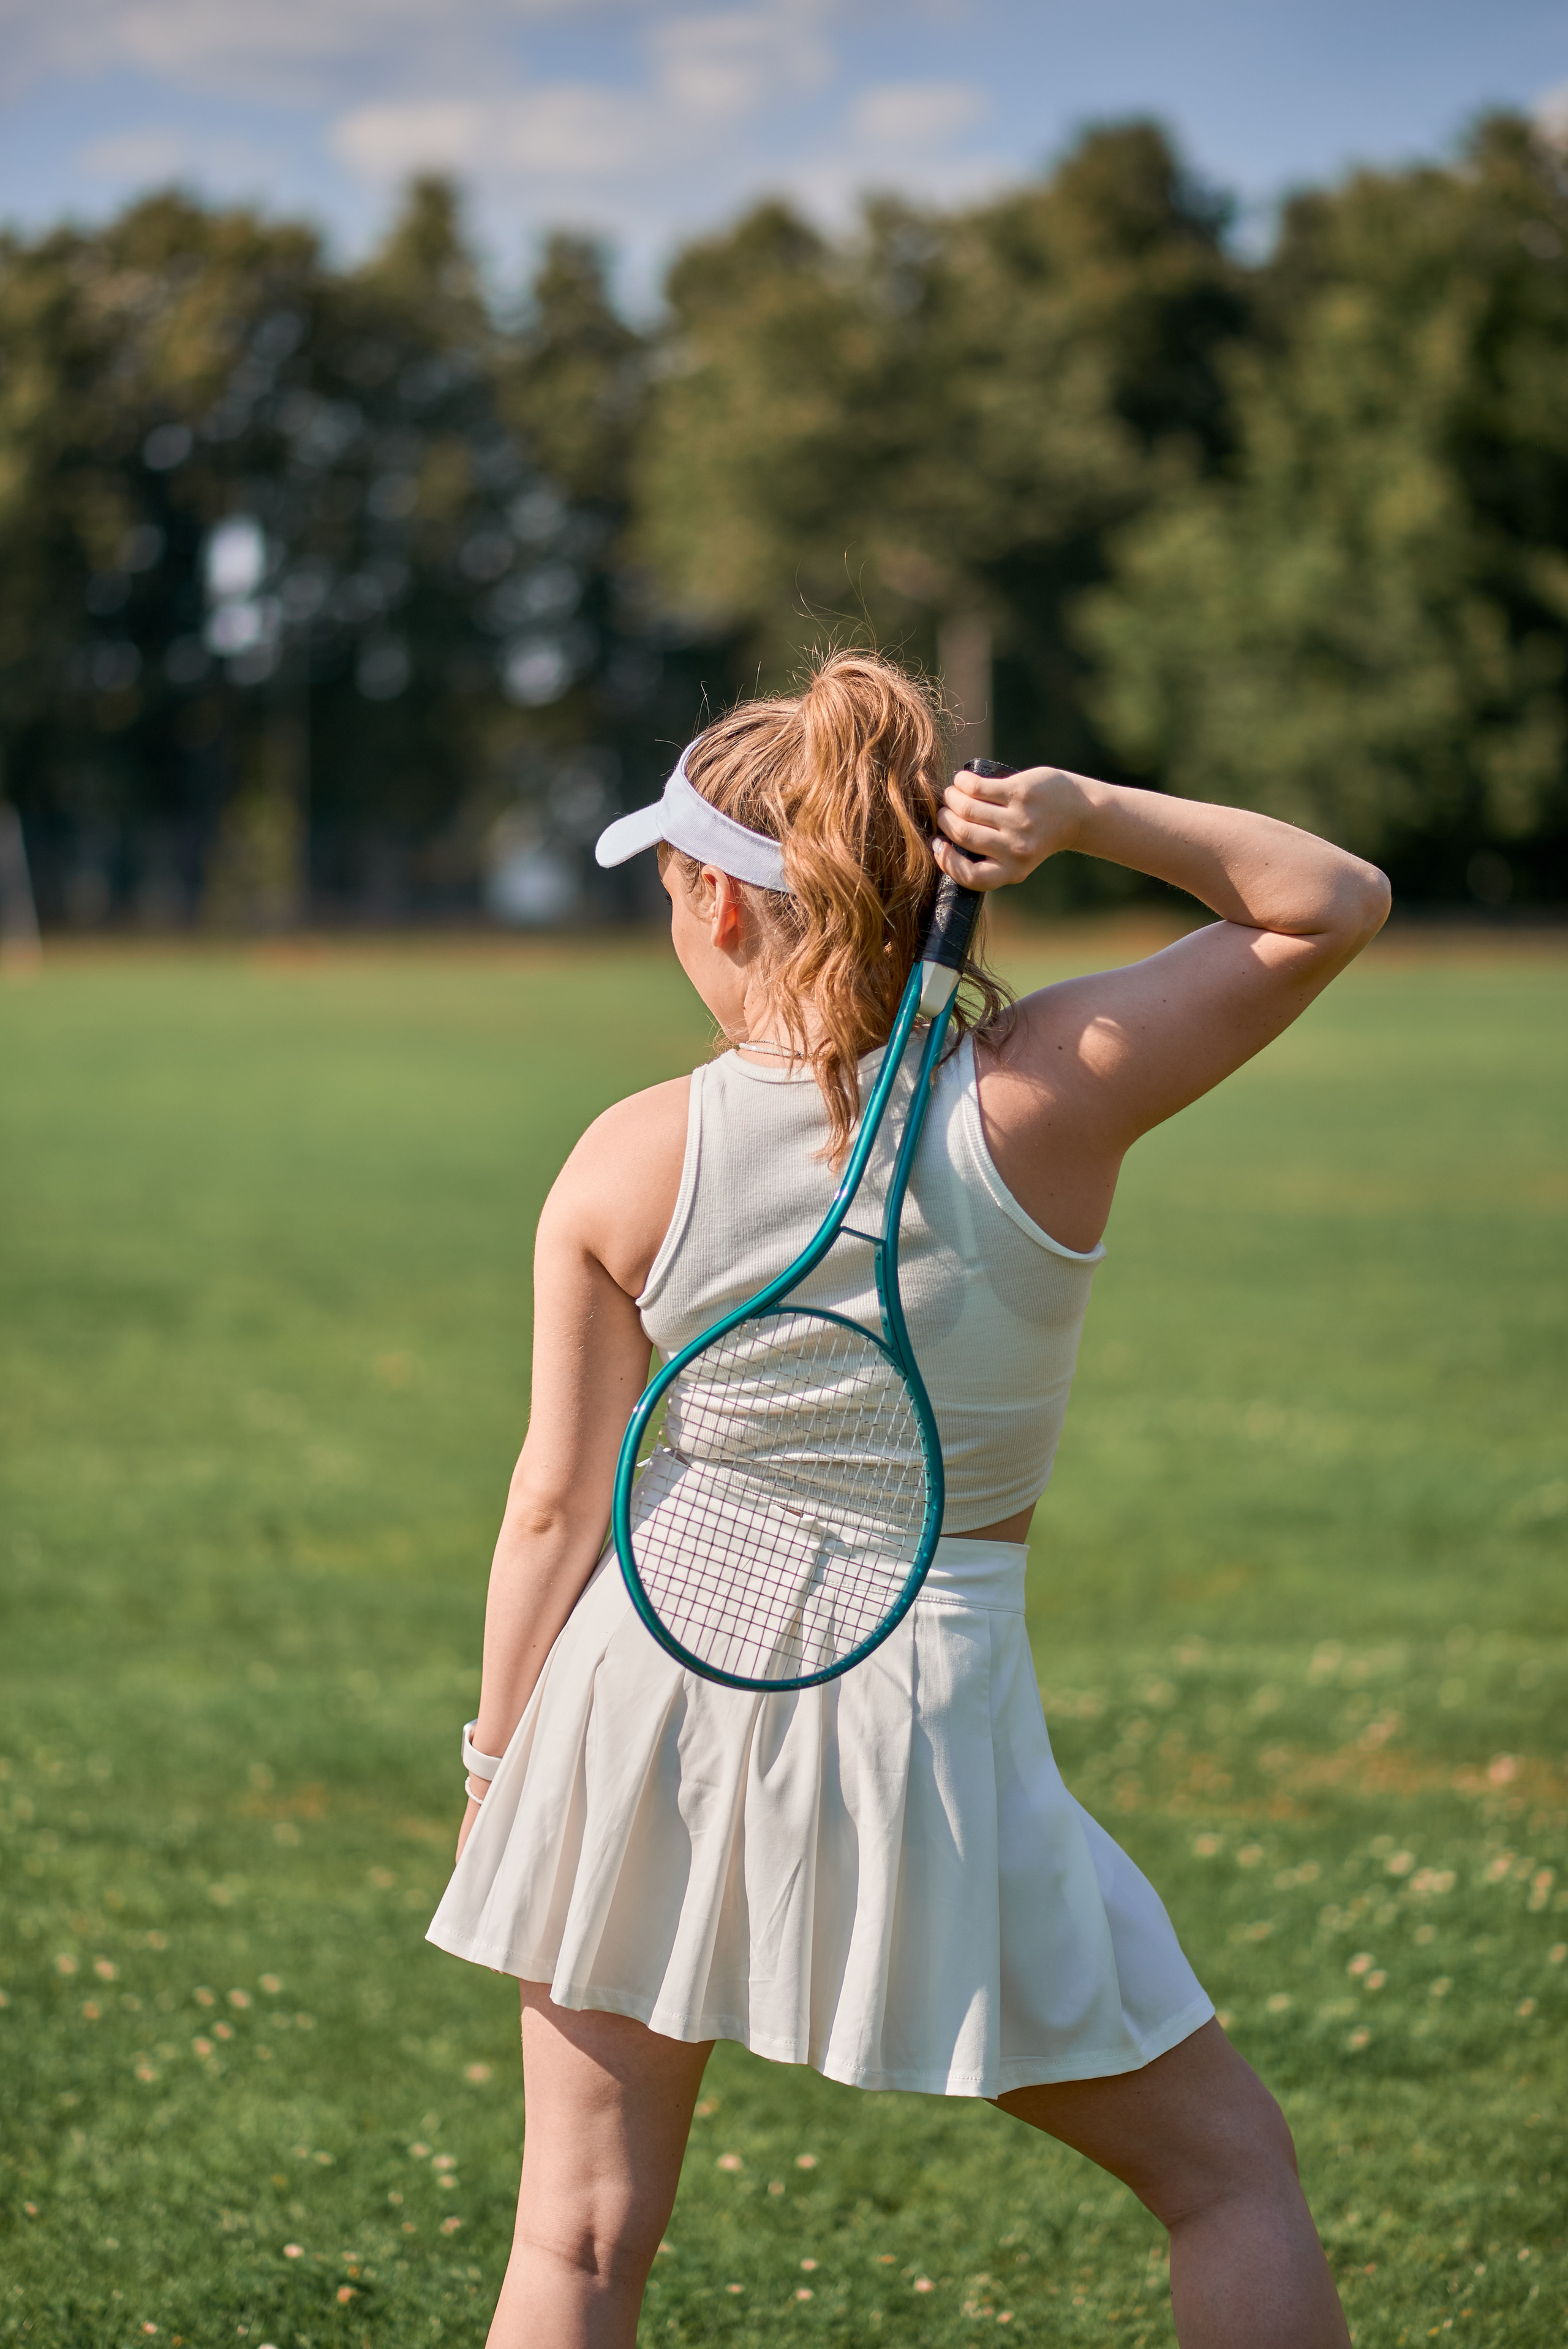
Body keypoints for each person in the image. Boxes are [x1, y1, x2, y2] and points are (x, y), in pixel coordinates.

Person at [428, 649, 1389, 2349]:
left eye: (669, 889)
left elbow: (552, 1510)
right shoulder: (1052, 1086)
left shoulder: (621, 1157)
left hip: (638, 1689)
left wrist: (503, 1761)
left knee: (574, 2243)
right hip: (925, 1712)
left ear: (723, 913)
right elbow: (1329, 900)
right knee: (1228, 2171)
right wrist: (1084, 815)